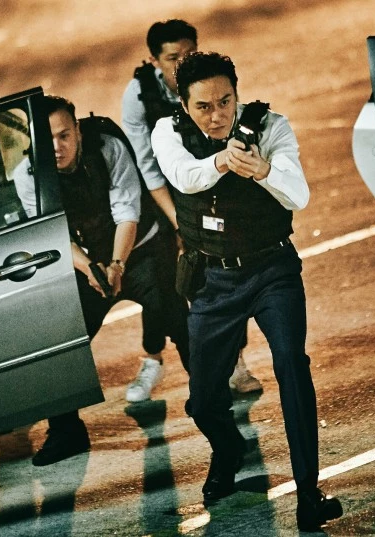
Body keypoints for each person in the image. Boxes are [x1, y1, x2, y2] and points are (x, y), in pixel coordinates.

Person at [151, 52, 343, 531]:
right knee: (202, 399)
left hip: (271, 269)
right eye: (203, 107)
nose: (217, 115)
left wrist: (262, 170)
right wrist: (223, 160)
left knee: (292, 367)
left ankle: (308, 494)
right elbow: (184, 177)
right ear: (183, 104)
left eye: (225, 102)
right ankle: (228, 449)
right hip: (212, 280)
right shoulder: (167, 131)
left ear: (237, 95)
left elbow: (299, 195)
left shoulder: (272, 127)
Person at [13, 95, 190, 466]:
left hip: (138, 249)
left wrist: (116, 265)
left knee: (180, 320)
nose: (57, 146)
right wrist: (90, 268)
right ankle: (67, 432)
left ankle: (212, 400)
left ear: (78, 130)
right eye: (47, 139)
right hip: (85, 260)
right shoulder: (27, 175)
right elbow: (53, 231)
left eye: (64, 135)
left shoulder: (108, 148)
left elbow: (127, 212)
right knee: (61, 340)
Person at [122, 19, 263, 394]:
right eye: (173, 58)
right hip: (161, 194)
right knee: (163, 278)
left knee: (227, 265)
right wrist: (179, 222)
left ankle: (235, 362)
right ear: (154, 60)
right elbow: (147, 167)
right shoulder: (137, 95)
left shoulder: (210, 82)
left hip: (211, 180)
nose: (182, 63)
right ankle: (152, 358)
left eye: (189, 53)